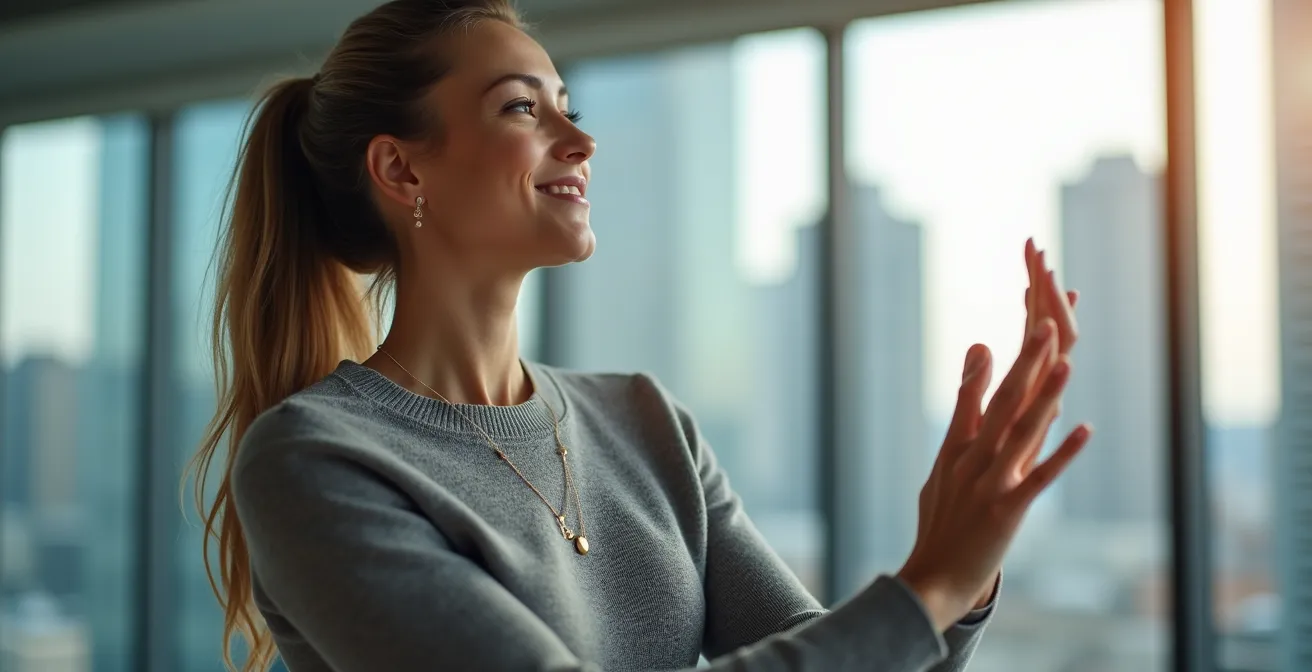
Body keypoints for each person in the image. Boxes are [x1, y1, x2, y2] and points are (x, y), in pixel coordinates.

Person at [186, 1, 1088, 670]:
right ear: (399, 166)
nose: (580, 139)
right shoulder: (313, 460)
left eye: (567, 103)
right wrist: (925, 586)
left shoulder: (648, 422)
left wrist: (966, 567)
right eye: (520, 108)